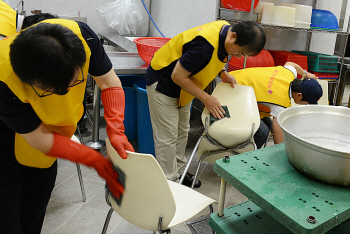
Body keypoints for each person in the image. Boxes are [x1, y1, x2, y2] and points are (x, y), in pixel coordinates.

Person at [0, 18, 134, 233]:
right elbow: (40, 139)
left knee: (36, 198)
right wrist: (95, 160)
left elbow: (109, 82)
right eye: (49, 89)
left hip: (47, 128)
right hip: (6, 130)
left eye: (74, 81)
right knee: (6, 209)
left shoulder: (82, 37)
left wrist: (116, 131)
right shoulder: (4, 79)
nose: (64, 93)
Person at [145, 20, 266, 187]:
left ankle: (180, 171)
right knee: (167, 138)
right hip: (165, 83)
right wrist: (206, 98)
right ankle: (169, 183)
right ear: (233, 36)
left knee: (182, 131)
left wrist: (222, 72)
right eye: (241, 52)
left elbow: (216, 56)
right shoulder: (203, 46)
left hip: (186, 86)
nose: (238, 57)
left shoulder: (224, 29)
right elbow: (177, 76)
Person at [228, 62, 323, 148]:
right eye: (306, 103)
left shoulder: (289, 72)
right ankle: (241, 157)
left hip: (232, 77)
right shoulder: (281, 103)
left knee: (268, 123)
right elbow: (278, 142)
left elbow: (291, 64)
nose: (304, 104)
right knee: (262, 132)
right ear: (299, 95)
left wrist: (306, 74)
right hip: (230, 95)